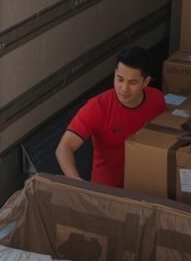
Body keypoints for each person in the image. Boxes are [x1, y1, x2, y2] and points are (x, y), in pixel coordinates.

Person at [55, 45, 166, 188]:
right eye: (119, 79)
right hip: (107, 191)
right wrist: (77, 183)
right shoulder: (97, 107)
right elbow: (64, 147)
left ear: (145, 82)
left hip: (144, 187)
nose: (124, 88)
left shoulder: (157, 100)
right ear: (114, 74)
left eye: (132, 82)